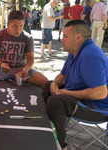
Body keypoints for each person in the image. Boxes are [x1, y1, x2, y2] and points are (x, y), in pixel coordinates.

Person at [43, 20, 108, 150]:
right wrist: (55, 83)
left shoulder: (90, 55)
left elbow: (100, 93)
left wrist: (67, 93)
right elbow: (63, 76)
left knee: (57, 101)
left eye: (65, 36)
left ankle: (60, 146)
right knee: (47, 86)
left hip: (98, 108)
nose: (61, 39)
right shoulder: (75, 51)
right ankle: (45, 130)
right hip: (84, 99)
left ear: (78, 37)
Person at [0, 10, 48, 91]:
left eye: (21, 26)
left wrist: (26, 69)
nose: (18, 29)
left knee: (46, 83)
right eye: (15, 26)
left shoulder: (27, 37)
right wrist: (0, 64)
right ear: (8, 24)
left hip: (21, 69)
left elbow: (30, 59)